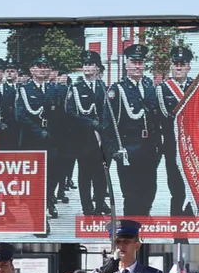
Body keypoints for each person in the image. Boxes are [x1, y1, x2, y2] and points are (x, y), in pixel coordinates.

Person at [101, 44, 160, 217]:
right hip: (127, 148)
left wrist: (158, 147)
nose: (137, 66)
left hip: (149, 148)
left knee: (150, 188)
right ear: (126, 64)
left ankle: (143, 215)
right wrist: (114, 150)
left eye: (140, 62)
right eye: (134, 62)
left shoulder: (149, 87)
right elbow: (108, 124)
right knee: (130, 192)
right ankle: (131, 225)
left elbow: (155, 119)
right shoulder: (117, 90)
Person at [16, 55, 65, 219]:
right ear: (32, 70)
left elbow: (59, 114)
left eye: (46, 66)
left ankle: (49, 200)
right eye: (39, 66)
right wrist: (40, 132)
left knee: (53, 175)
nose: (43, 69)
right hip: (32, 140)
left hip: (51, 139)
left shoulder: (54, 89)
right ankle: (38, 217)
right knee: (34, 180)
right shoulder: (24, 90)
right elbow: (20, 116)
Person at [65, 49, 109, 215]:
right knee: (85, 174)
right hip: (83, 137)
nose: (88, 67)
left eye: (91, 64)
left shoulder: (103, 88)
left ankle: (99, 204)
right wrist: (91, 123)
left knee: (101, 173)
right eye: (85, 64)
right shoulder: (75, 88)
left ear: (97, 68)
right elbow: (70, 112)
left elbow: (109, 111)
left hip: (102, 137)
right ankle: (87, 207)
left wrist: (103, 127)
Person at [155, 45, 194, 216]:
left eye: (182, 63)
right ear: (171, 65)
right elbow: (158, 120)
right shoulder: (162, 89)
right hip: (172, 145)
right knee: (177, 189)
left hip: (193, 147)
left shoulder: (196, 86)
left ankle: (192, 214)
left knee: (194, 185)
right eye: (176, 63)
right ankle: (178, 227)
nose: (179, 67)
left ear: (188, 66)